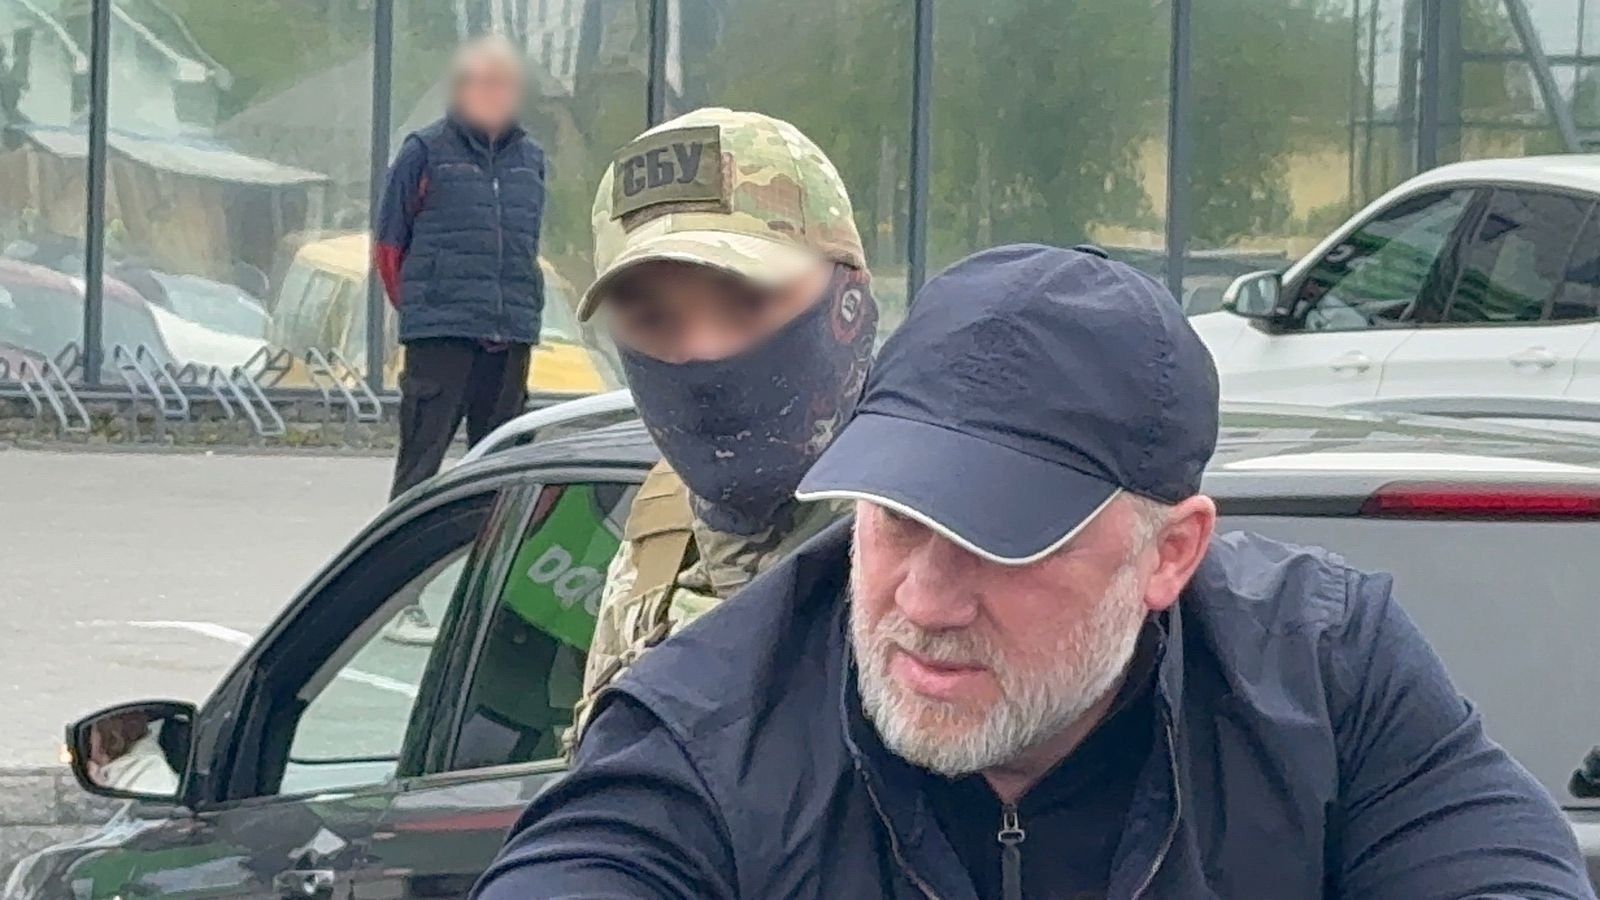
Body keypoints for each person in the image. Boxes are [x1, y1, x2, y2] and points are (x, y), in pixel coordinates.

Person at [473, 244, 1592, 899]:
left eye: (1004, 540)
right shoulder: (708, 725)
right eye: (895, 519)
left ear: (1170, 553)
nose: (923, 601)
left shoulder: (1322, 674)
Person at [564, 107, 878, 751]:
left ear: (849, 296)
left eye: (747, 302)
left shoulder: (939, 554)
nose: (703, 352)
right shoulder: (661, 528)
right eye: (653, 320)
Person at [375, 34, 546, 500]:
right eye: (483, 82)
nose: (494, 93)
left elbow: (525, 243)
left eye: (504, 83)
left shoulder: (532, 159)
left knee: (503, 471)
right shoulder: (422, 151)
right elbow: (389, 247)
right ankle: (406, 546)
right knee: (419, 470)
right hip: (441, 334)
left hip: (510, 333)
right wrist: (430, 306)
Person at [88, 711, 179, 796]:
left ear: (107, 738)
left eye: (92, 732)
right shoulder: (147, 760)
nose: (90, 742)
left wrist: (100, 787)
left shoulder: (152, 771)